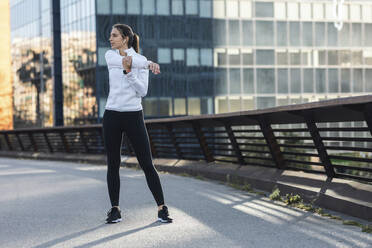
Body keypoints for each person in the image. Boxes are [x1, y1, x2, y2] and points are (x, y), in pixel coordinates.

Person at [103, 23, 172, 224]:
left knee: (147, 164)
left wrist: (130, 73)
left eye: (114, 35)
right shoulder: (110, 56)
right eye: (111, 35)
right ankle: (114, 209)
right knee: (112, 164)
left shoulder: (139, 61)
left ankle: (162, 208)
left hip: (133, 115)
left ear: (125, 38)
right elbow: (122, 62)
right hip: (112, 116)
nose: (110, 38)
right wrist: (148, 63)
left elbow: (142, 91)